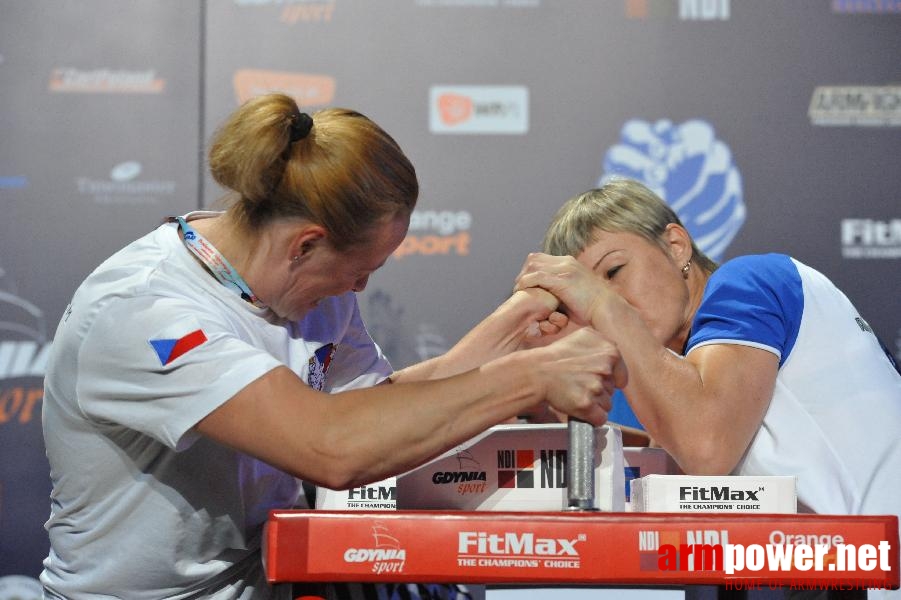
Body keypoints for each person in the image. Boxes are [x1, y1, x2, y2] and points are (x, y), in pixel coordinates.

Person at [39, 93, 625, 600]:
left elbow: (376, 412)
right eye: (360, 269)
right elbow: (331, 448)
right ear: (305, 245)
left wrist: (514, 331)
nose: (361, 287)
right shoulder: (145, 312)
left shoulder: (312, 290)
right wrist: (531, 379)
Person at [515, 178, 901, 598]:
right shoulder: (680, 368)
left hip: (879, 568)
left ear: (676, 245)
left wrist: (606, 309)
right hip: (855, 569)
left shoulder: (749, 280)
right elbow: (674, 471)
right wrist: (541, 382)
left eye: (613, 272)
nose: (608, 299)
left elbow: (705, 447)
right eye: (584, 296)